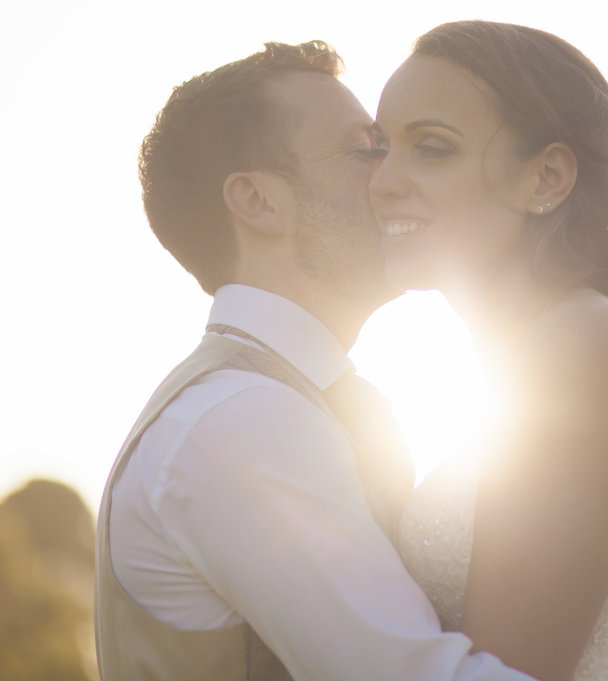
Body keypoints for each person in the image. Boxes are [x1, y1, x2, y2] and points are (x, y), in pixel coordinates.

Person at [94, 40, 540, 681]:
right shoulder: (241, 423)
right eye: (368, 149)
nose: (394, 177)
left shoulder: (284, 406)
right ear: (258, 202)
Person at [370, 21, 608, 681]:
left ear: (547, 176)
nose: (382, 182)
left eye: (431, 148)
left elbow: (508, 671)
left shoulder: (583, 349)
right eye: (379, 149)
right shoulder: (538, 361)